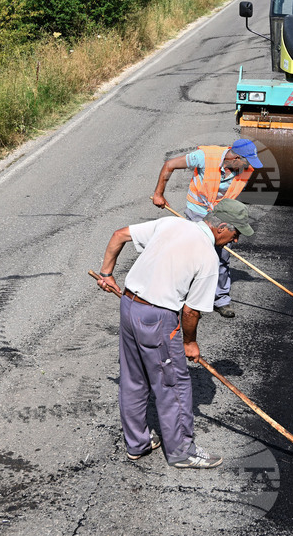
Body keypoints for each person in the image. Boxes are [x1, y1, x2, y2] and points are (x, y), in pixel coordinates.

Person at [96, 199, 255, 468]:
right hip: (157, 319)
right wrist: (189, 343)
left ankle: (137, 443)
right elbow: (191, 311)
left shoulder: (172, 224)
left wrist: (106, 273)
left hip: (129, 306)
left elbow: (119, 235)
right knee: (175, 385)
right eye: (236, 234)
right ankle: (182, 451)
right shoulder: (207, 257)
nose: (235, 241)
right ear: (222, 227)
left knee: (134, 379)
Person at [151, 139, 263, 318]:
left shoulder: (245, 169)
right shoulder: (205, 157)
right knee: (191, 256)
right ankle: (185, 299)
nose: (249, 167)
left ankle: (221, 300)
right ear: (236, 158)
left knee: (223, 256)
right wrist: (159, 194)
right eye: (247, 161)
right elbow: (169, 164)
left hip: (222, 215)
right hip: (198, 212)